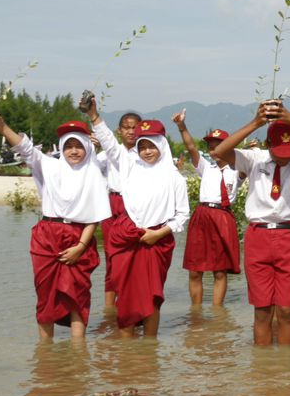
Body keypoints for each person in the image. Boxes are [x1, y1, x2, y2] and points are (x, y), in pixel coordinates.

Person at [0, 110, 109, 339]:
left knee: (77, 293)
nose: (73, 151)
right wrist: (2, 128)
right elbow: (26, 149)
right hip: (47, 235)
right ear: (61, 147)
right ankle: (45, 349)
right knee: (45, 292)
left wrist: (80, 247)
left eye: (78, 145)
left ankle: (78, 347)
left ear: (86, 147)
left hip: (79, 236)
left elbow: (95, 216)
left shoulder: (93, 174)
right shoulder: (49, 166)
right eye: (68, 146)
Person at [212, 100, 290, 345]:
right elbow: (220, 152)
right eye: (280, 152)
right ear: (268, 145)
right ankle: (263, 372)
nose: (285, 159)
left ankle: (285, 371)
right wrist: (256, 123)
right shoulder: (253, 159)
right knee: (262, 310)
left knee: (287, 309)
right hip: (259, 236)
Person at [91, 110, 189, 338]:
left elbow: (182, 215)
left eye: (151, 146)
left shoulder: (174, 177)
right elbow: (110, 144)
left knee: (152, 294)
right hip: (127, 235)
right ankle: (127, 350)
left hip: (157, 240)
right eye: (142, 147)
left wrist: (159, 233)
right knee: (125, 291)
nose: (147, 152)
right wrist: (94, 115)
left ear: (162, 146)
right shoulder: (129, 166)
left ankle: (149, 346)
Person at [175, 113, 240, 307]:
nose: (214, 151)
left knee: (220, 270)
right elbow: (191, 147)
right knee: (195, 269)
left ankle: (217, 311)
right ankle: (196, 311)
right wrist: (182, 126)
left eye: (219, 147)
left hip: (223, 216)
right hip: (202, 215)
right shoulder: (205, 167)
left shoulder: (238, 169)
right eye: (211, 148)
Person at [101, 110, 142, 311]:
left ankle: (132, 303)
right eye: (126, 127)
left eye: (135, 127)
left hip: (135, 204)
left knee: (135, 256)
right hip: (112, 203)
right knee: (111, 257)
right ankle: (109, 309)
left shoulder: (146, 154)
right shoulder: (109, 153)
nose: (131, 131)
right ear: (119, 130)